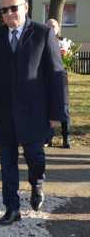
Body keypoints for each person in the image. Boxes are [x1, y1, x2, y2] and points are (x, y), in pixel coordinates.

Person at [0, 0, 66, 226]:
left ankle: (37, 182)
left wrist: (57, 113)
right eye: (4, 11)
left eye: (13, 8)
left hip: (35, 113)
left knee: (35, 157)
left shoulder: (42, 33)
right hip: (4, 114)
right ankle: (11, 207)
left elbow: (56, 76)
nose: (9, 14)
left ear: (25, 7)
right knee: (7, 163)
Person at [46, 18, 71, 148]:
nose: (51, 27)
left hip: (61, 80)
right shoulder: (42, 41)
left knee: (64, 108)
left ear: (58, 28)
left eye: (54, 25)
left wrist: (65, 58)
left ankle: (66, 138)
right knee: (48, 109)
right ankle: (48, 138)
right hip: (46, 80)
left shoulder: (63, 42)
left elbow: (68, 60)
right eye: (49, 25)